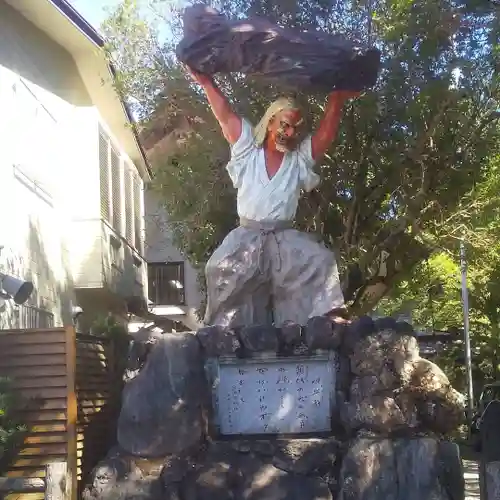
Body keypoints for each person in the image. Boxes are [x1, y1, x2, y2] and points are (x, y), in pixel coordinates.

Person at [185, 66, 359, 328]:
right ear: (269, 123)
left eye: (295, 129)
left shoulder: (298, 161)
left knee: (320, 260)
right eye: (284, 125)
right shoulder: (246, 150)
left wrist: (335, 100)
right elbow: (225, 115)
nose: (289, 133)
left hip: (284, 239)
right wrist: (207, 83)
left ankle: (327, 319)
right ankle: (222, 333)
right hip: (246, 237)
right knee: (217, 269)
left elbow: (325, 135)